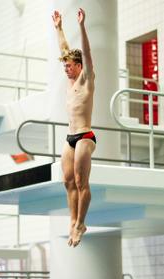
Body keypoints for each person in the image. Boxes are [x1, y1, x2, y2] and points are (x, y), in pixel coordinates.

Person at [52, 8, 96, 247]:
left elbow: (86, 52)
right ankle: (72, 220)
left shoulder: (87, 79)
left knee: (81, 181)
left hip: (85, 136)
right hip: (70, 137)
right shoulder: (70, 81)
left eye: (69, 66)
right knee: (67, 181)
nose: (66, 69)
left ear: (79, 66)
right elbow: (65, 50)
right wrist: (59, 28)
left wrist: (81, 26)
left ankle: (81, 222)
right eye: (64, 66)